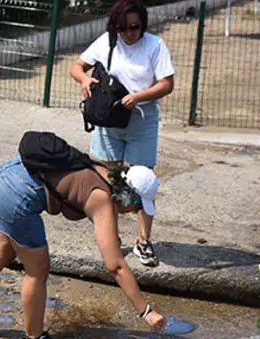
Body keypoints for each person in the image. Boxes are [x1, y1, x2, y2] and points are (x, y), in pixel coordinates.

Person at [0, 132, 166, 339]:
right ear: (128, 198)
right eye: (135, 208)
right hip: (18, 194)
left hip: (6, 174)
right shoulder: (102, 198)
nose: (132, 212)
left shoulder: (103, 171)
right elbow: (116, 267)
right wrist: (146, 312)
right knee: (37, 270)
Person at [69, 0, 174, 267]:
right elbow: (76, 66)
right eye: (122, 28)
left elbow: (166, 84)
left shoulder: (154, 45)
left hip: (141, 119)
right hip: (109, 121)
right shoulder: (107, 41)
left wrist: (139, 97)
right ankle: (111, 238)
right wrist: (84, 80)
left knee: (143, 182)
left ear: (143, 25)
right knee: (107, 180)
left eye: (134, 27)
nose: (129, 34)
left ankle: (143, 241)